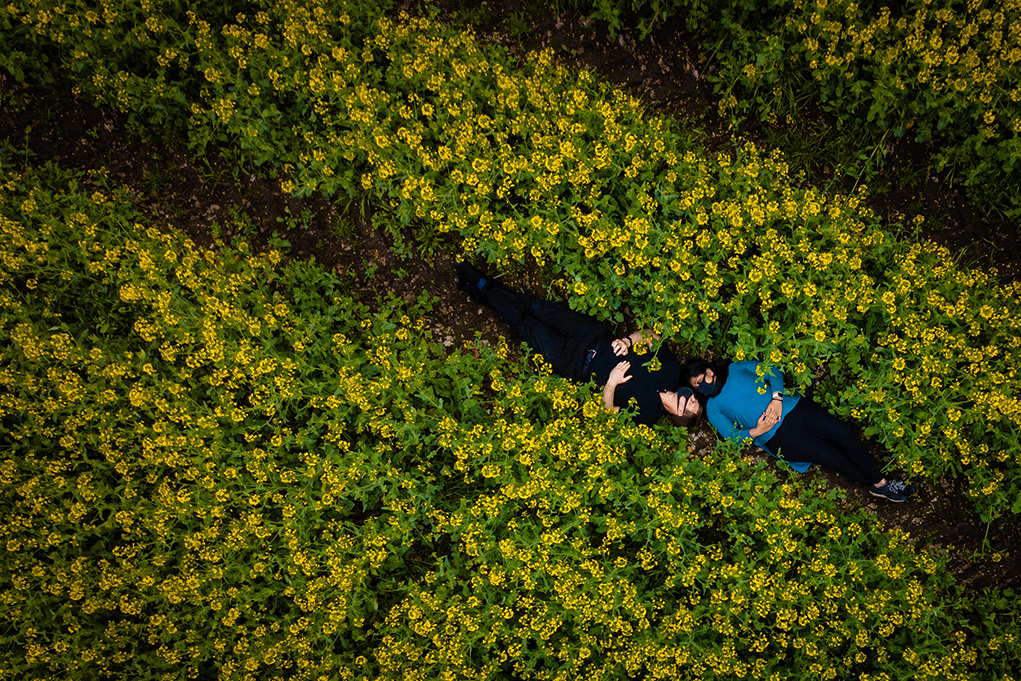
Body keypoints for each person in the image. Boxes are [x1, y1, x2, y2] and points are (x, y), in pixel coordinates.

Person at [457, 263, 700, 428]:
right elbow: (651, 336)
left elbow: (607, 414)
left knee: (525, 324)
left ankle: (482, 287)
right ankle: (483, 287)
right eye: (694, 399)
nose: (691, 398)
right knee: (536, 307)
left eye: (691, 405)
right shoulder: (671, 372)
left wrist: (612, 383)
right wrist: (628, 341)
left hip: (574, 363)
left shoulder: (648, 415)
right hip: (593, 334)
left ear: (680, 414)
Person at [685, 358, 916, 502]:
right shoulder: (713, 408)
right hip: (778, 436)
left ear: (709, 367)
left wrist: (776, 398)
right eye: (697, 384)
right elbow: (732, 440)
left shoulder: (736, 368)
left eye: (702, 375)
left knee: (845, 435)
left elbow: (772, 370)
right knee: (833, 458)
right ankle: (882, 485)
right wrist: (756, 431)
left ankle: (879, 483)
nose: (703, 382)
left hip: (795, 407)